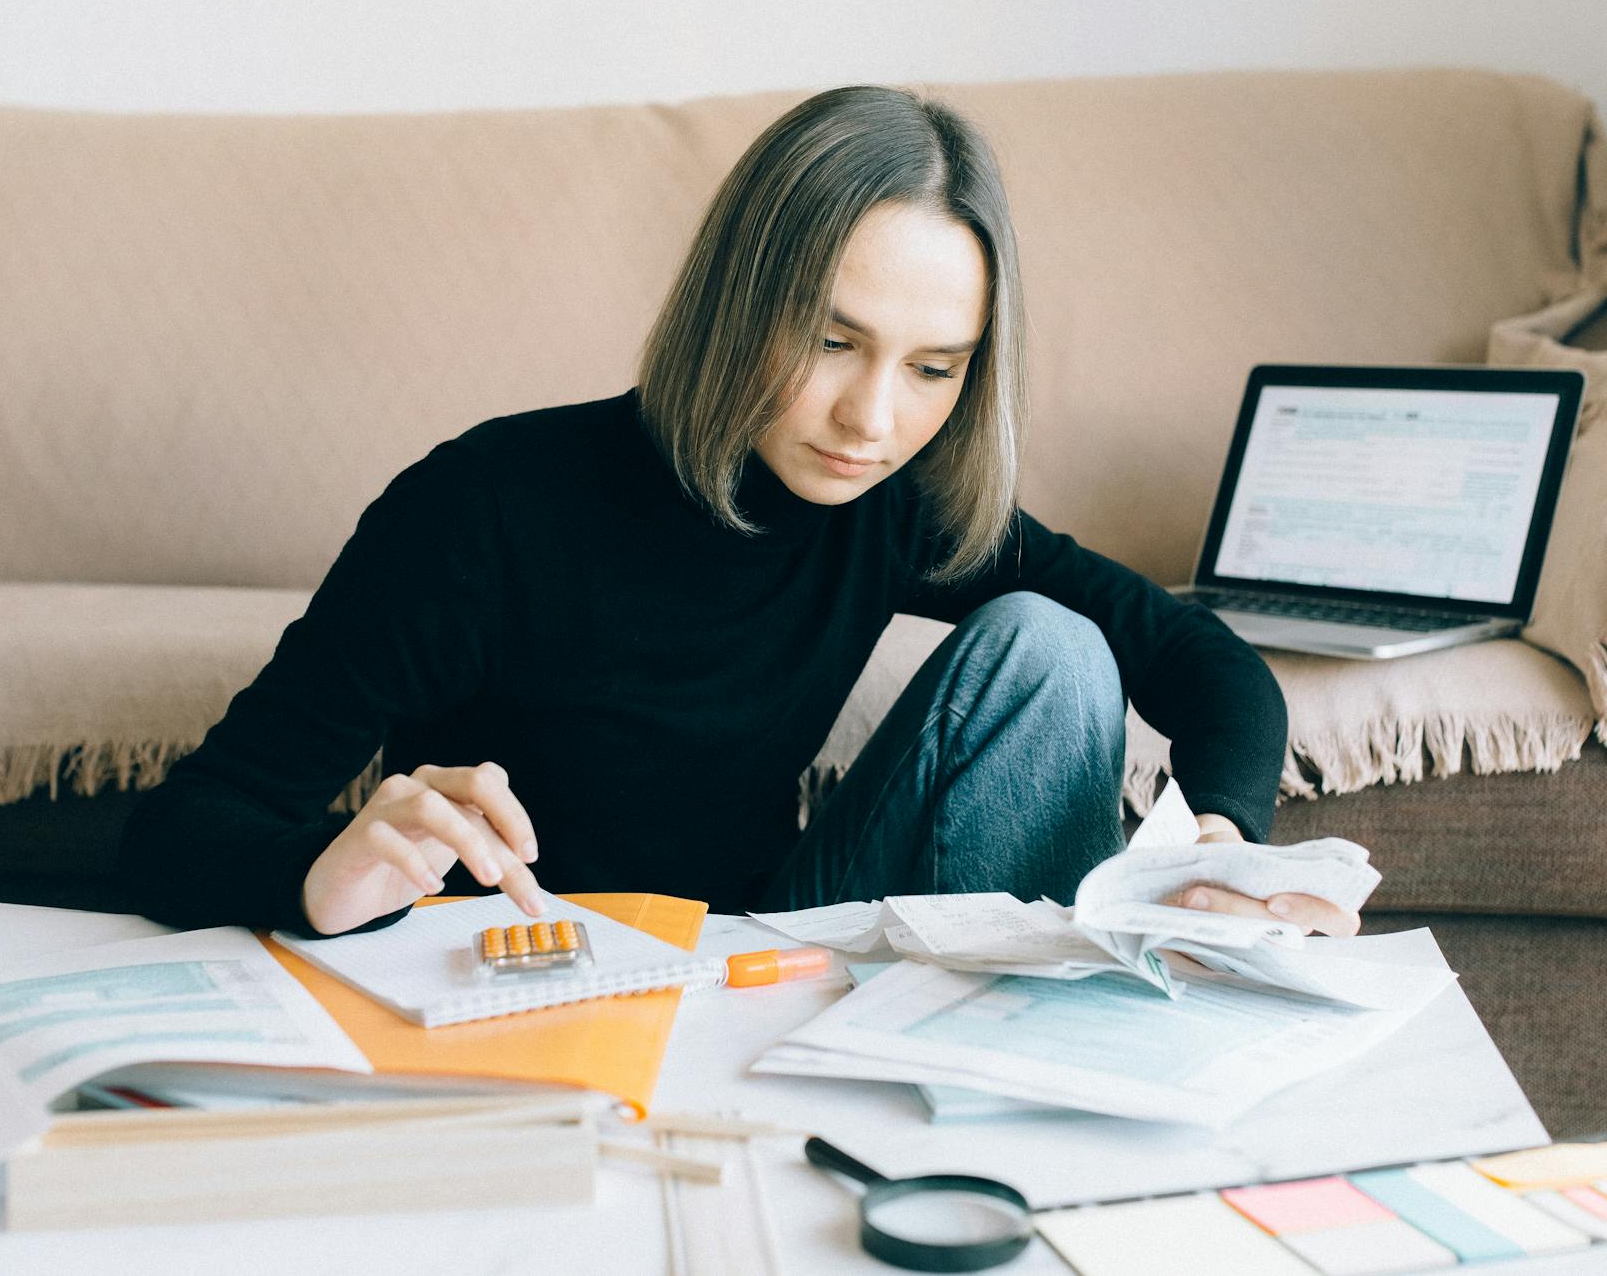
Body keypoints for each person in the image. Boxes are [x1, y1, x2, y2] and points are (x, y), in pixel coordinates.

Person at [119, 85, 1359, 944]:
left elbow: (1202, 664)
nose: (871, 419)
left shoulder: (896, 501)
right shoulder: (480, 508)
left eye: (932, 368)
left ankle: (1017, 1082)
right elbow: (184, 827)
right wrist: (323, 871)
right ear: (736, 296)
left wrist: (1215, 846)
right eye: (829, 339)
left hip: (769, 946)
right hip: (518, 970)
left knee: (1052, 646)